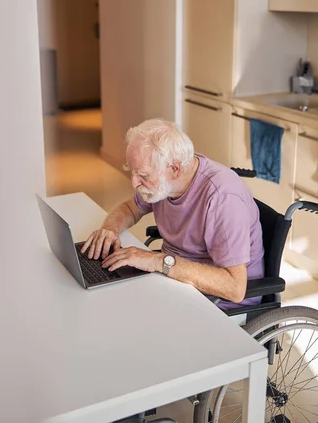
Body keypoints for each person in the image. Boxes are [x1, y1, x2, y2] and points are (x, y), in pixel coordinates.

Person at [81, 118, 264, 308]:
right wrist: (110, 229)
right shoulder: (164, 182)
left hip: (216, 301)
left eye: (143, 176)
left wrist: (158, 261)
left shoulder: (222, 198)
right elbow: (129, 209)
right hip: (174, 279)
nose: (134, 183)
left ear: (175, 169)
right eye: (133, 173)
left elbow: (235, 288)